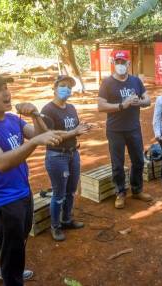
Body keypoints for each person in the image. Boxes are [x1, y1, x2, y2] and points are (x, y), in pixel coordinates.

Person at [0, 72, 64, 285]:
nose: (7, 93)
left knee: (17, 242)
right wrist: (33, 143)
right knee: (12, 246)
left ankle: (9, 269)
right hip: (3, 201)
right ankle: (11, 277)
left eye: (7, 87)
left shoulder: (12, 119)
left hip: (23, 192)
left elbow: (40, 134)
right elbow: (1, 162)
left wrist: (35, 116)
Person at [98, 51, 153, 209]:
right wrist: (122, 105)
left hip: (133, 128)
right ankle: (120, 192)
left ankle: (137, 190)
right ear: (114, 63)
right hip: (115, 130)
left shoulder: (136, 81)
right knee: (117, 163)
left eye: (123, 62)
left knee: (138, 160)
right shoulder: (107, 83)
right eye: (118, 62)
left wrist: (139, 102)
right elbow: (101, 106)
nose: (121, 65)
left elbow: (148, 100)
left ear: (129, 64)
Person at [41, 75, 91, 241]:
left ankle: (67, 219)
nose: (67, 89)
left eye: (69, 87)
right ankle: (55, 226)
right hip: (57, 155)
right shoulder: (47, 110)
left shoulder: (71, 108)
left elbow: (74, 128)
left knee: (71, 191)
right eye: (63, 85)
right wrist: (74, 132)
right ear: (54, 88)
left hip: (72, 153)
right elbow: (49, 135)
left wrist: (82, 128)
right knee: (59, 193)